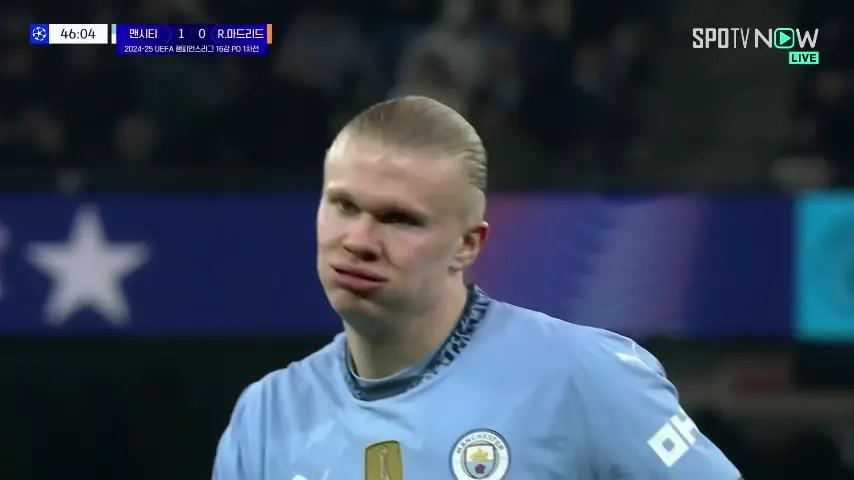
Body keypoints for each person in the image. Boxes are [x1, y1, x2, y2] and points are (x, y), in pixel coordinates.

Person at [213, 96, 741, 479]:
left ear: (467, 245)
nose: (359, 241)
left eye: (399, 219)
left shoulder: (582, 376)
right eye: (344, 206)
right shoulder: (266, 415)